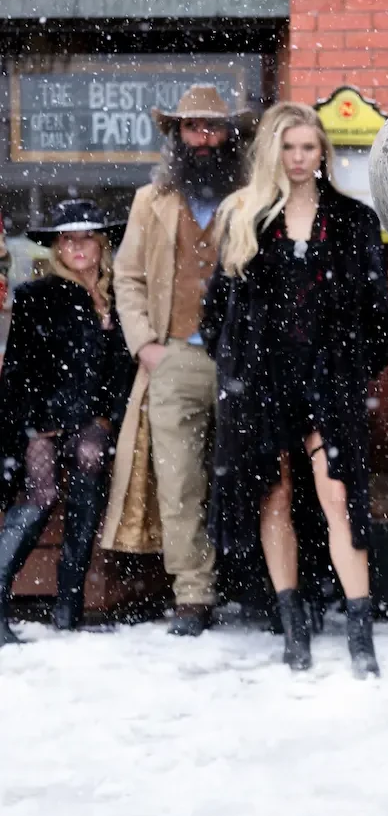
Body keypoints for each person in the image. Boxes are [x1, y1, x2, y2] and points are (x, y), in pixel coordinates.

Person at [202, 102, 388, 676]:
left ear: (323, 154)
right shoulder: (247, 220)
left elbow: (377, 319)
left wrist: (349, 368)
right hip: (262, 383)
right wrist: (241, 366)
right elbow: (216, 314)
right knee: (275, 498)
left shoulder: (355, 221)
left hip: (329, 383)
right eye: (288, 148)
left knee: (339, 499)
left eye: (308, 147)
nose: (298, 158)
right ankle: (293, 629)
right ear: (273, 153)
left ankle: (361, 633)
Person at [104, 84, 253, 636]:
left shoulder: (254, 198)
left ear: (229, 135)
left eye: (213, 128)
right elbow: (128, 276)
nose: (204, 138)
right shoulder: (151, 201)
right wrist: (145, 344)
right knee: (180, 482)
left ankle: (258, 586)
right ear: (177, 136)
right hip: (175, 360)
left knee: (251, 477)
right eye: (193, 128)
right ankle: (194, 594)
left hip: (242, 362)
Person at [0, 200, 133, 641]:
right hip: (45, 416)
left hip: (94, 418)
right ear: (57, 246)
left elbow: (124, 371)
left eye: (85, 236)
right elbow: (20, 369)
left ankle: (69, 604)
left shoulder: (120, 297)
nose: (76, 246)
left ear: (101, 243)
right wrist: (37, 423)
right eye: (66, 238)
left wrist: (107, 418)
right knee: (41, 487)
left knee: (91, 457)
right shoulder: (37, 296)